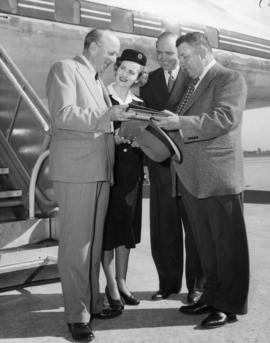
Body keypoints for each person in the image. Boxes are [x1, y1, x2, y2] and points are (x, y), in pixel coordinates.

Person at [155, 31, 250, 329]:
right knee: (206, 246)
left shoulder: (228, 78)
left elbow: (225, 118)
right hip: (193, 177)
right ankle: (210, 297)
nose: (181, 63)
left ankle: (229, 305)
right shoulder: (192, 83)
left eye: (184, 57)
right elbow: (184, 120)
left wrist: (179, 122)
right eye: (179, 58)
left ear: (204, 53)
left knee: (227, 245)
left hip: (219, 177)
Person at [46, 29, 135, 342]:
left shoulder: (96, 80)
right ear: (94, 46)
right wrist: (107, 115)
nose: (115, 59)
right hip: (76, 170)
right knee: (76, 247)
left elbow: (99, 123)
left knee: (94, 245)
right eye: (112, 53)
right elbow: (63, 115)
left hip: (98, 169)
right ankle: (77, 317)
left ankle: (93, 304)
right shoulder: (65, 69)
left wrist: (116, 132)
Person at [140, 31, 203, 302]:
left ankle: (197, 285)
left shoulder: (195, 78)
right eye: (160, 53)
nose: (164, 58)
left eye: (170, 53)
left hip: (189, 163)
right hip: (161, 165)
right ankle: (167, 283)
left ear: (180, 54)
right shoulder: (148, 80)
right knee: (164, 227)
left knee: (195, 229)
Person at [102, 49, 147, 311]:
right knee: (109, 230)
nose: (125, 73)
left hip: (131, 175)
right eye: (122, 67)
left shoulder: (140, 105)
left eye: (132, 71)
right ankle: (110, 285)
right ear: (116, 67)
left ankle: (122, 281)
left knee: (127, 230)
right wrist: (113, 137)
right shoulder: (100, 95)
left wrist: (141, 141)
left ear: (138, 77)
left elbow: (146, 140)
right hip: (107, 170)